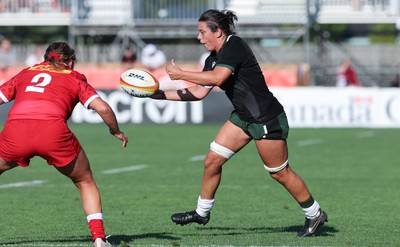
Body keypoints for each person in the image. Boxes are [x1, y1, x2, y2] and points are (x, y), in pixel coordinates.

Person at [150, 9, 328, 237]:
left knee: (279, 173)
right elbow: (198, 92)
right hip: (243, 117)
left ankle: (314, 213)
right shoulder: (212, 58)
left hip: (265, 118)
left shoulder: (234, 46)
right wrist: (160, 95)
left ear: (218, 31)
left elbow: (218, 78)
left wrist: (181, 73)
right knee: (212, 161)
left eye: (202, 32)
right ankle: (202, 212)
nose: (199, 37)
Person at [0, 41, 128, 247]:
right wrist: (116, 131)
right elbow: (103, 109)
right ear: (70, 62)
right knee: (84, 180)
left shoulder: (26, 73)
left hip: (16, 130)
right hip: (53, 132)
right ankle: (99, 239)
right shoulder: (74, 77)